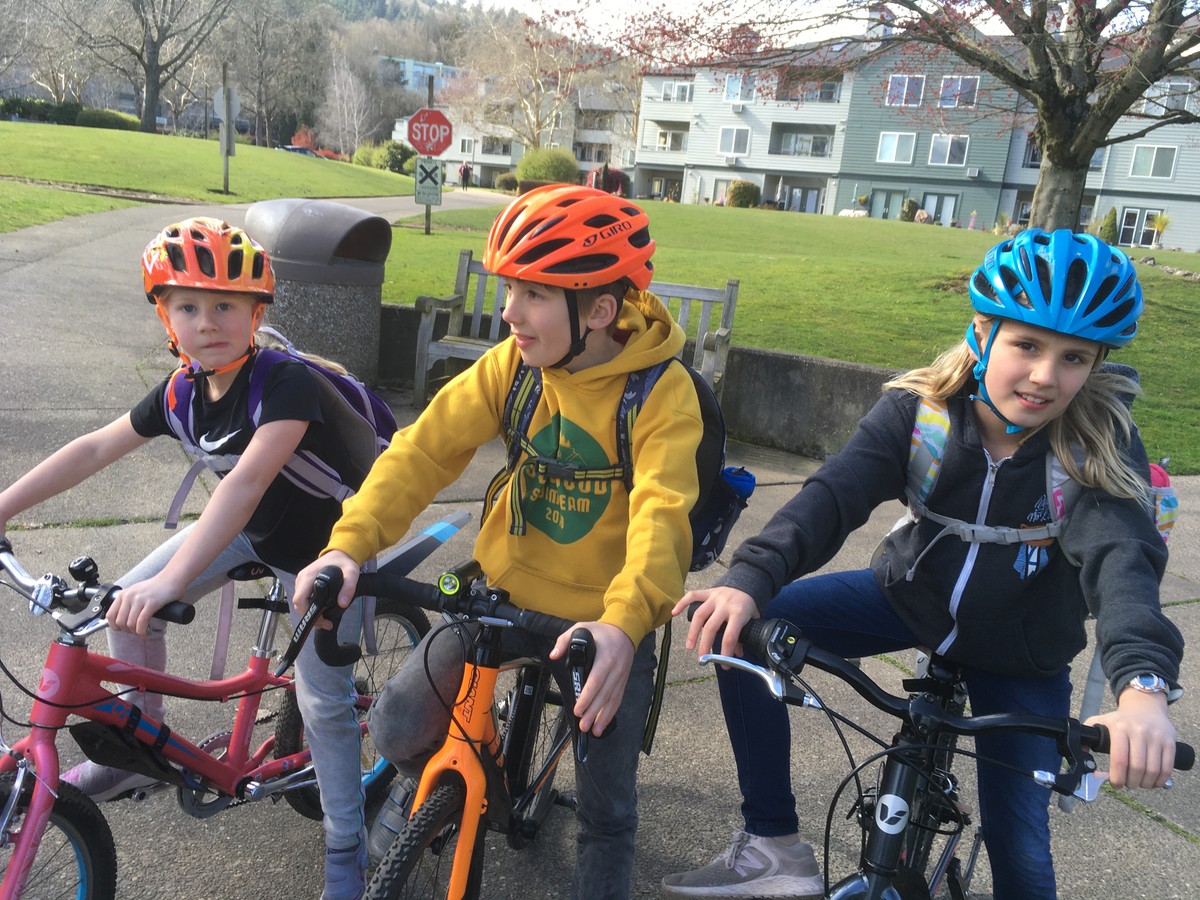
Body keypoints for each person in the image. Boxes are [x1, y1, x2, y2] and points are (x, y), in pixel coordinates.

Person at [662, 229, 1184, 900]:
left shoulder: (1094, 443)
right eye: (1026, 344)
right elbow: (832, 497)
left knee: (1020, 855)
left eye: (1074, 357)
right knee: (744, 633)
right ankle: (772, 845)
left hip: (1022, 655)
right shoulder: (921, 413)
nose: (1047, 376)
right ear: (981, 333)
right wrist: (746, 581)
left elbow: (1123, 562)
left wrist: (1142, 690)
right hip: (908, 600)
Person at [292, 184, 703, 898]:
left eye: (534, 294)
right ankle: (448, 787)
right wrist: (347, 547)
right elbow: (421, 452)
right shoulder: (513, 365)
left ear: (600, 311)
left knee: (606, 815)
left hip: (600, 622)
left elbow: (663, 515)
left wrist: (625, 625)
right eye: (509, 289)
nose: (509, 311)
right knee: (395, 725)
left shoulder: (660, 392)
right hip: (503, 595)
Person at [0, 217, 373, 900]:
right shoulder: (181, 391)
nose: (209, 321)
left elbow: (247, 482)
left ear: (256, 314)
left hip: (333, 551)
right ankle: (143, 752)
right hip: (255, 533)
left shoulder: (281, 382)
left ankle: (348, 847)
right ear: (166, 317)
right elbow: (91, 449)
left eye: (227, 305)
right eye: (189, 306)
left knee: (325, 705)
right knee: (124, 608)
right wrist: (2, 506)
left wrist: (174, 579)